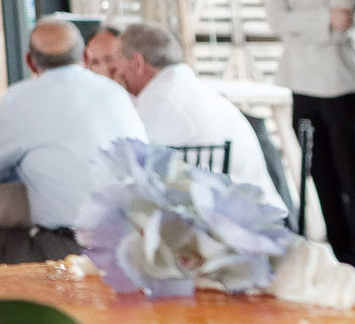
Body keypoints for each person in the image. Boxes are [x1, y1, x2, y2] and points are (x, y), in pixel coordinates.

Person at [0, 18, 147, 262]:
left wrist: (17, 166)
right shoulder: (117, 93)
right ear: (87, 57)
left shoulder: (22, 99)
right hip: (136, 244)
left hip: (71, 250)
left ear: (30, 62)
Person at [264, 0, 355, 276]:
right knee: (321, 176)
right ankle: (340, 261)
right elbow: (277, 21)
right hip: (302, 87)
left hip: (341, 87)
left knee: (351, 179)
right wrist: (321, 18)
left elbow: (341, 24)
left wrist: (306, 23)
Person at [111, 22, 278, 198]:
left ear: (137, 63)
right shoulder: (185, 87)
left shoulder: (162, 101)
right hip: (246, 208)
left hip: (231, 215)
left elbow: (124, 169)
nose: (114, 73)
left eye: (115, 63)